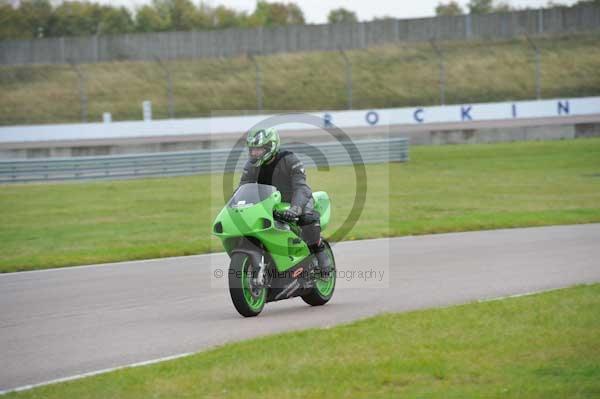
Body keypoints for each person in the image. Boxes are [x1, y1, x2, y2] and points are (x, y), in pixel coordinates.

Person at [239, 127, 330, 278]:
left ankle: (319, 252)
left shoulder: (290, 159)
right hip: (270, 203)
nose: (254, 153)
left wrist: (296, 208)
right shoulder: (251, 165)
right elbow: (243, 188)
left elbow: (301, 187)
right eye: (252, 150)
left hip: (296, 199)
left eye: (258, 149)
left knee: (306, 218)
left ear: (271, 146)